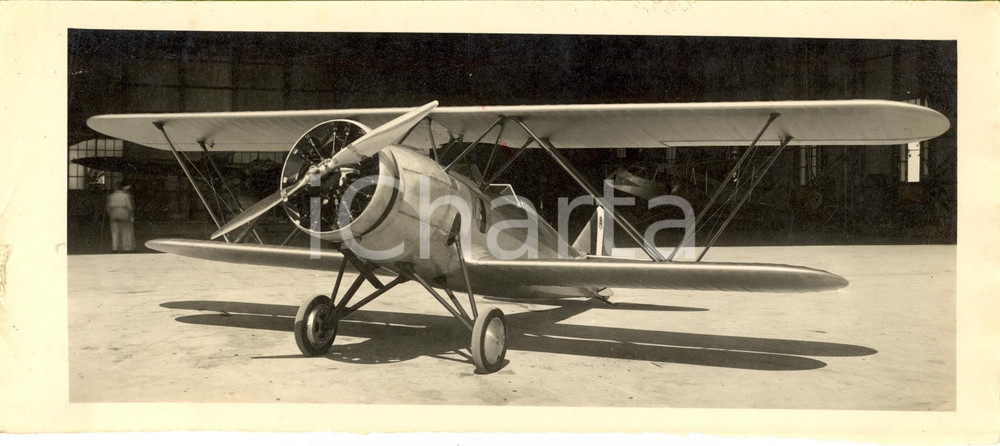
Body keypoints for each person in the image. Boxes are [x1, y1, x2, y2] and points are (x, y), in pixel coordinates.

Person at [106, 184, 135, 253]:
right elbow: (129, 207)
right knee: (125, 231)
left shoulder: (111, 196)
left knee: (114, 232)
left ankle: (115, 248)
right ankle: (126, 248)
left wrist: (110, 215)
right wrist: (131, 215)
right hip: (124, 214)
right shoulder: (126, 196)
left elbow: (108, 208)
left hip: (114, 214)